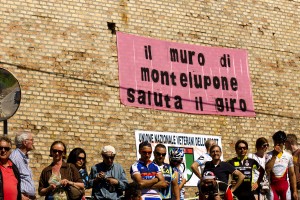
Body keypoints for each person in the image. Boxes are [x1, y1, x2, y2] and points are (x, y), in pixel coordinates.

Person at [266, 131, 298, 200]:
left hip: (285, 188)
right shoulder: (268, 155)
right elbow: (267, 170)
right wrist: (274, 155)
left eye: (279, 142)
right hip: (273, 187)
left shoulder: (288, 156)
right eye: (275, 142)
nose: (277, 144)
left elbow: (292, 174)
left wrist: (295, 191)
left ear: (283, 143)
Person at [9, 131, 36, 200]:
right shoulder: (15, 157)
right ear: (25, 142)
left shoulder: (23, 157)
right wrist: (20, 195)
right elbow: (10, 179)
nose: (33, 142)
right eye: (32, 140)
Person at [0, 136, 21, 200]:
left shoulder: (15, 168)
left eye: (6, 148)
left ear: (10, 151)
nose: (3, 150)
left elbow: (18, 190)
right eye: (0, 148)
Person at [285, 133, 300, 199]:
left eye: (285, 142)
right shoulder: (292, 155)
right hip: (293, 188)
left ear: (289, 142)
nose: (284, 144)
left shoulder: (299, 153)